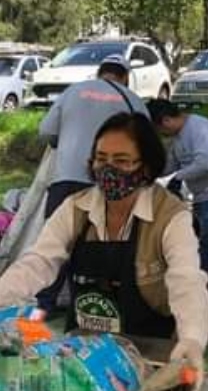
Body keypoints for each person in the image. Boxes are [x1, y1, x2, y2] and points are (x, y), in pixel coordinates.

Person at [0, 112, 208, 368]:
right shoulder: (76, 208)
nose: (108, 169)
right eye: (101, 159)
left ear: (145, 167)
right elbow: (38, 262)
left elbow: (186, 279)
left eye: (122, 161)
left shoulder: (170, 215)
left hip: (148, 354)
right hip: (82, 353)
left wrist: (191, 340)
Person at [36, 56, 150, 310]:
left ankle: (42, 307)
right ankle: (91, 307)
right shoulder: (132, 99)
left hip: (65, 181)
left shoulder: (72, 92)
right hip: (108, 189)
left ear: (100, 72)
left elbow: (46, 132)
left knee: (55, 245)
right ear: (125, 77)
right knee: (97, 250)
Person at [146, 99, 208, 297]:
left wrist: (176, 178)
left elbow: (203, 163)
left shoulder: (198, 128)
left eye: (160, 130)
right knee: (205, 252)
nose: (163, 135)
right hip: (202, 199)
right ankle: (206, 296)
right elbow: (172, 164)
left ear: (166, 121)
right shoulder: (179, 137)